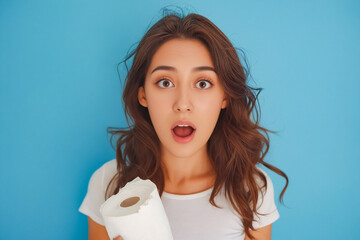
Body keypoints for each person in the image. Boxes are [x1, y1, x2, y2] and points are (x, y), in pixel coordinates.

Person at [79, 11, 288, 240]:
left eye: (202, 83)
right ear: (143, 96)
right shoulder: (108, 183)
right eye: (165, 82)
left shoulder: (250, 188)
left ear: (225, 97)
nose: (182, 104)